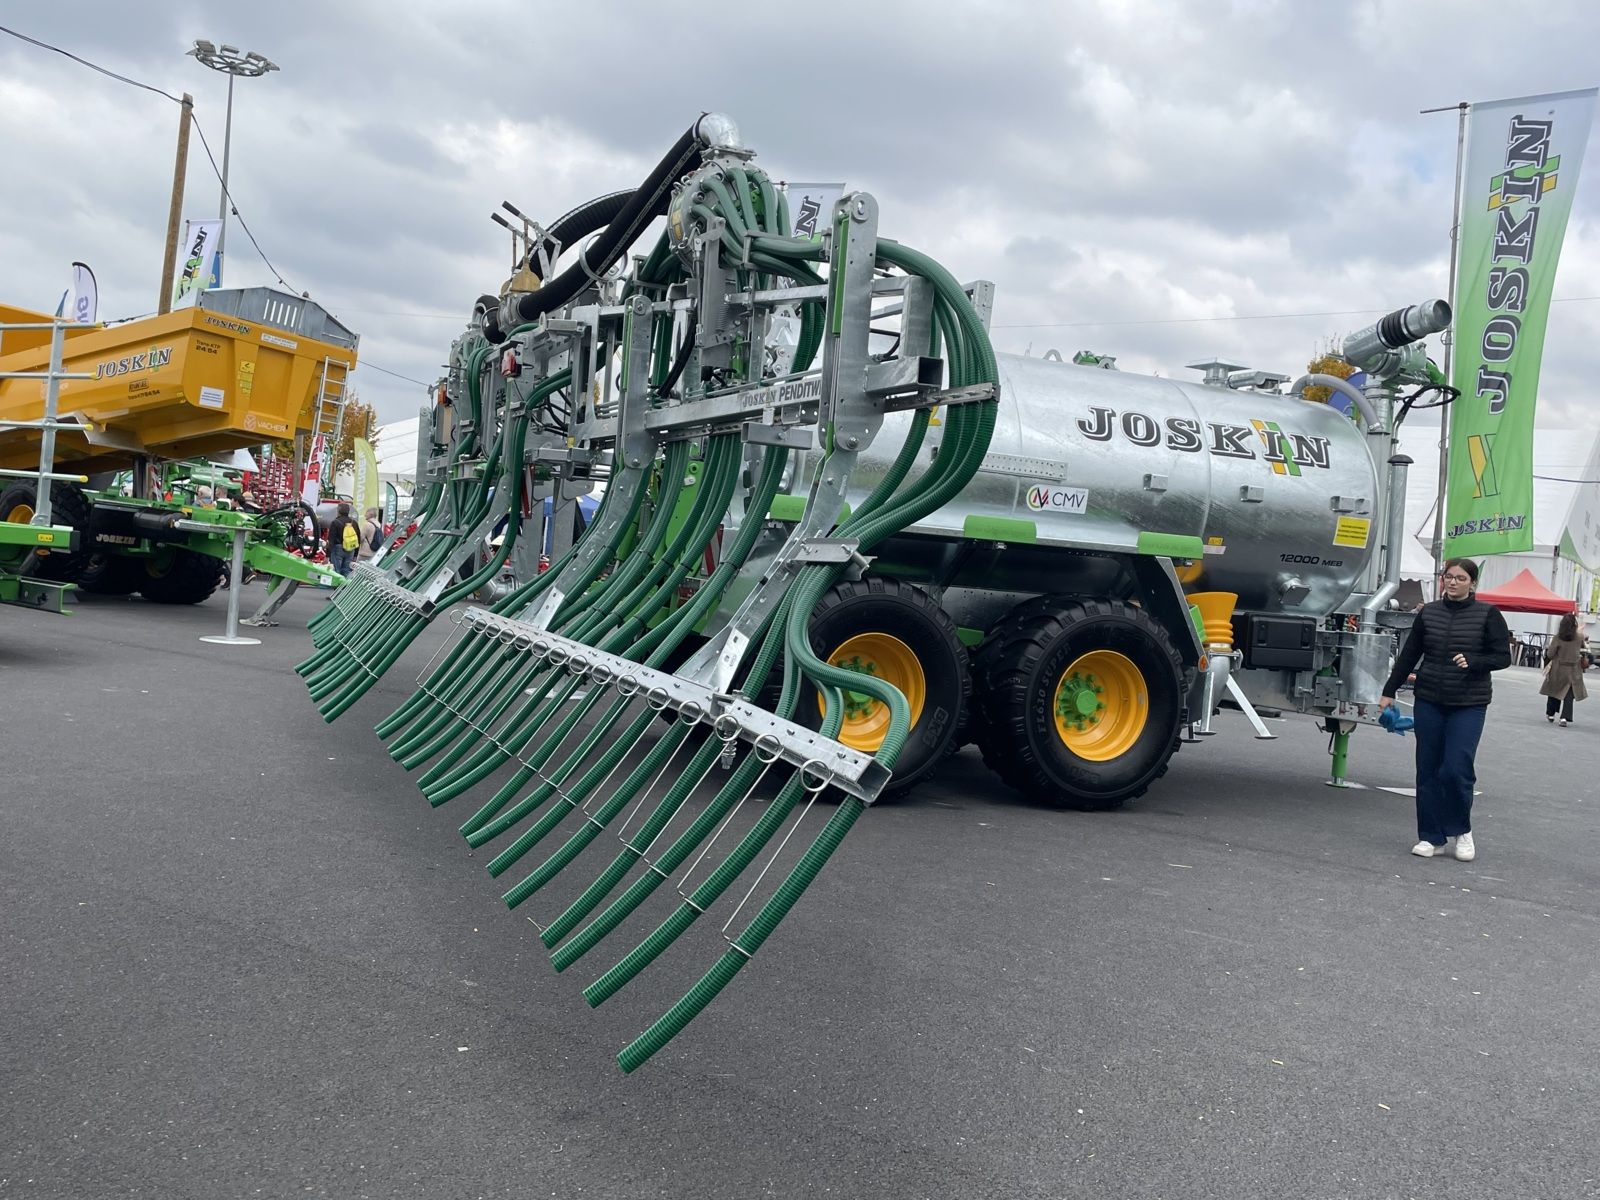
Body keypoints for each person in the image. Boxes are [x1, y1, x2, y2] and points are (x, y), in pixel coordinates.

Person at [1380, 557, 1512, 861]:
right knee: (1427, 770)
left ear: (1472, 583)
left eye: (1460, 578)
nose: (1453, 582)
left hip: (1469, 703)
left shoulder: (1488, 614)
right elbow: (1409, 654)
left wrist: (1475, 662)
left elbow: (1502, 657)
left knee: (1455, 769)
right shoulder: (1429, 613)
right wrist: (1389, 691)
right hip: (1429, 699)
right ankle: (1431, 836)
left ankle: (1461, 830)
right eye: (1448, 577)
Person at [1539, 612, 1588, 727]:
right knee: (1569, 695)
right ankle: (1564, 718)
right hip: (1574, 669)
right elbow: (1584, 650)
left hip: (1558, 669)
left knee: (1554, 690)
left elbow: (1550, 654)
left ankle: (1551, 713)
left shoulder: (1558, 637)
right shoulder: (1579, 637)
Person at [326, 502, 359, 578]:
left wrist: (327, 555)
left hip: (338, 548)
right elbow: (358, 539)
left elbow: (331, 540)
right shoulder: (354, 523)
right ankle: (345, 585)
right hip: (351, 549)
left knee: (336, 571)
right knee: (347, 571)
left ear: (338, 511)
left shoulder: (335, 522)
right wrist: (355, 554)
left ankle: (337, 584)